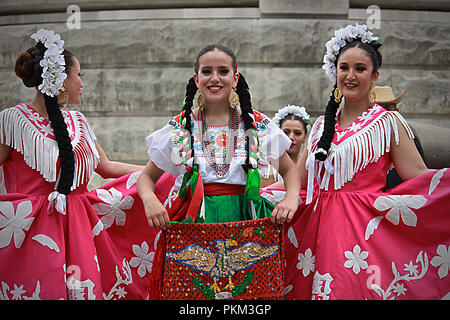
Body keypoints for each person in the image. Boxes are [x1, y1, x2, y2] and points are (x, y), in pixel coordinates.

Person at [284, 24, 450, 300]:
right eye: (344, 67)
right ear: (334, 71)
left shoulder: (387, 123)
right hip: (314, 233)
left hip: (360, 236)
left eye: (360, 69)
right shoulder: (320, 125)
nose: (350, 75)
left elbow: (419, 176)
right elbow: (299, 181)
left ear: (374, 76)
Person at [0, 29, 160, 300]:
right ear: (61, 78)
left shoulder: (79, 122)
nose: (81, 83)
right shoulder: (12, 120)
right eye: (78, 75)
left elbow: (106, 167)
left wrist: (158, 172)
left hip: (80, 228)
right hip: (30, 231)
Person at [136, 45, 300, 298]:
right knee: (195, 294)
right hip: (194, 222)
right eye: (207, 71)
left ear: (235, 78)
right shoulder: (179, 128)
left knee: (247, 293)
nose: (214, 78)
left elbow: (289, 171)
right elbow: (147, 177)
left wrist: (290, 199)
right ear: (196, 79)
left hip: (245, 217)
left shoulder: (256, 124)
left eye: (223, 71)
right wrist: (149, 199)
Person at [372, 86, 427, 190]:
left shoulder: (408, 138)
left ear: (396, 111)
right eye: (378, 108)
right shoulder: (361, 140)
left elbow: (418, 174)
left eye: (387, 108)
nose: (384, 114)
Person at [261, 104, 311, 188]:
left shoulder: (308, 166)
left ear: (304, 138)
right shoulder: (268, 167)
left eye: (297, 133)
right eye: (286, 132)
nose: (291, 137)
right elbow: (262, 195)